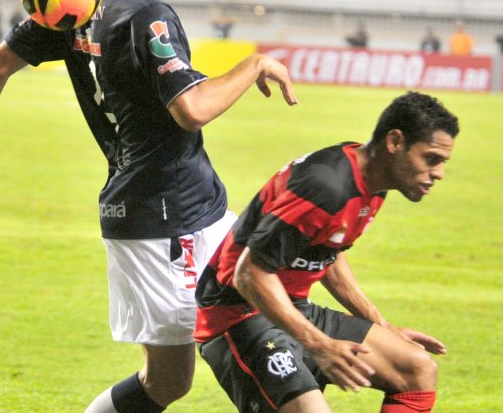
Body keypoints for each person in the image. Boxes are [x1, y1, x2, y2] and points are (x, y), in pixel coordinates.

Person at [0, 0, 297, 413]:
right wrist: (254, 62)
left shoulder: (74, 5)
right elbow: (191, 110)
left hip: (172, 208)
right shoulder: (146, 14)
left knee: (169, 381)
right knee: (257, 333)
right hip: (170, 217)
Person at [195, 91, 459, 413]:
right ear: (395, 142)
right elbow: (249, 274)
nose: (439, 173)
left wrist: (381, 326)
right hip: (238, 315)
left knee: (416, 368)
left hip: (291, 308)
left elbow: (327, 249)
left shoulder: (371, 182)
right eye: (431, 158)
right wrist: (319, 345)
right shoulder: (327, 185)